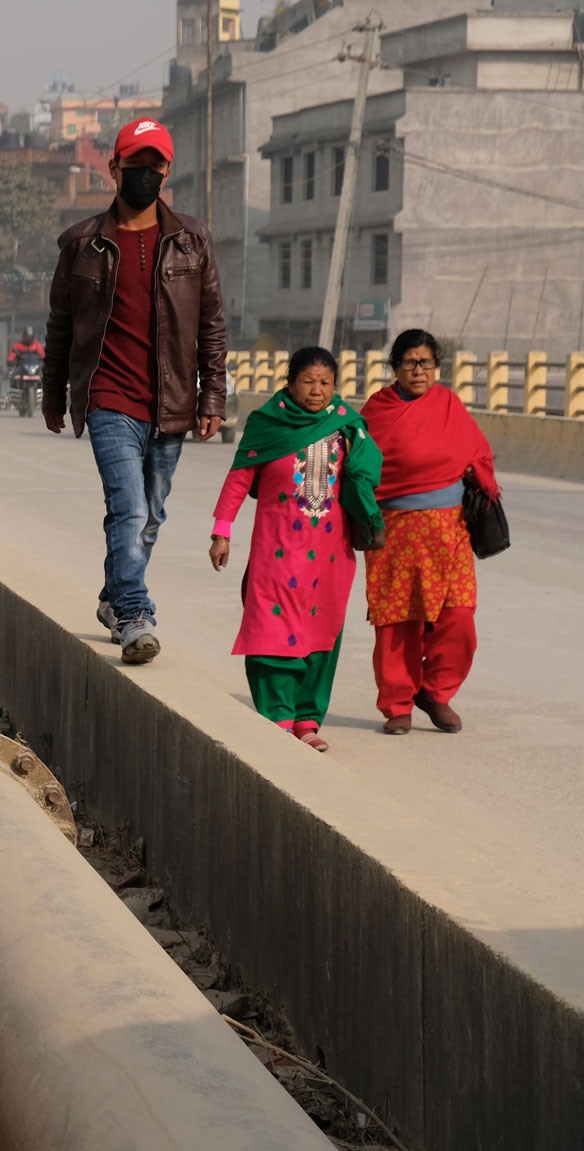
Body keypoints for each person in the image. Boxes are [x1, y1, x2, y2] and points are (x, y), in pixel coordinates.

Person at [43, 118, 227, 665]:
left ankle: (110, 597)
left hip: (171, 401)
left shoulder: (193, 240)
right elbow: (60, 324)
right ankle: (134, 613)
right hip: (109, 397)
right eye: (134, 165)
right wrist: (54, 395)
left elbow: (213, 325)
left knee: (151, 514)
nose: (144, 175)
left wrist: (211, 396)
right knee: (127, 508)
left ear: (167, 170)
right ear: (114, 168)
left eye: (154, 166)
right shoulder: (82, 244)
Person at [209, 347, 381, 752]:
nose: (317, 390)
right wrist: (222, 532)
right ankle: (278, 717)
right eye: (308, 381)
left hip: (330, 554)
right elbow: (239, 478)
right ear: (290, 382)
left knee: (322, 633)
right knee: (273, 631)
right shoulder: (267, 423)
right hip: (276, 550)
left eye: (325, 383)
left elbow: (367, 473)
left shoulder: (347, 426)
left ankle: (307, 718)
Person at [359, 330, 499, 735]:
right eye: (409, 363)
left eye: (426, 363)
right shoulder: (378, 410)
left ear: (436, 366)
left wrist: (475, 471)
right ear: (395, 367)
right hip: (394, 531)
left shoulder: (450, 404)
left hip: (450, 531)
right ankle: (397, 703)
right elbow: (360, 467)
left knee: (459, 617)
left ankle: (436, 692)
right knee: (397, 620)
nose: (418, 371)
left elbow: (479, 451)